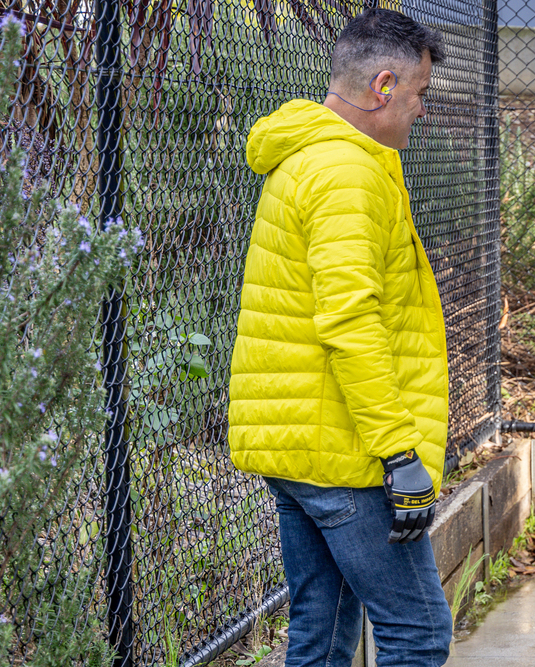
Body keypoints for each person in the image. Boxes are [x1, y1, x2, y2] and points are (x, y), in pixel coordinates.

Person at [228, 8, 453, 665]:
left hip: (301, 446)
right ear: (384, 87)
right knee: (417, 633)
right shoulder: (346, 174)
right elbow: (350, 322)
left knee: (322, 638)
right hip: (345, 454)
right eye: (419, 94)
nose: (422, 110)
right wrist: (397, 451)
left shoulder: (309, 155)